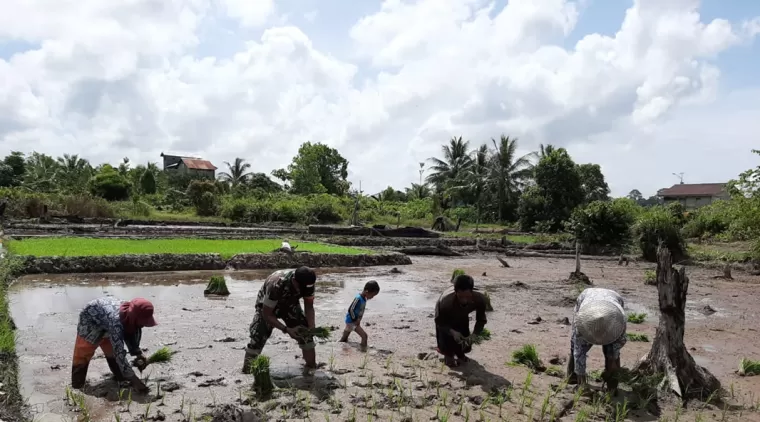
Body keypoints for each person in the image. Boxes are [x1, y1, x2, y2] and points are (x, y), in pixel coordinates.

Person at [71, 297, 157, 393]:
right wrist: (134, 380)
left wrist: (138, 354)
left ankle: (120, 377)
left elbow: (131, 334)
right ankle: (77, 386)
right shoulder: (116, 322)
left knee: (110, 349)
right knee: (84, 351)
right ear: (135, 317)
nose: (144, 325)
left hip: (107, 320)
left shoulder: (130, 318)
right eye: (143, 322)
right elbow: (119, 353)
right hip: (90, 320)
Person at [242, 266, 318, 373]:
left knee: (305, 335)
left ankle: (311, 368)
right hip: (267, 306)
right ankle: (247, 372)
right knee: (258, 336)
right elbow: (267, 314)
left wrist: (311, 327)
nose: (303, 291)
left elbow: (309, 306)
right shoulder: (276, 284)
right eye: (300, 288)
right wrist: (286, 329)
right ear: (294, 281)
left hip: (290, 303)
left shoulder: (308, 284)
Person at [566, 287, 627, 392]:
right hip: (586, 300)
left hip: (613, 302)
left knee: (612, 352)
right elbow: (578, 352)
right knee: (575, 347)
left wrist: (612, 364)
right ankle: (573, 377)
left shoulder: (618, 322)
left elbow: (617, 345)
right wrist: (582, 383)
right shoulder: (581, 325)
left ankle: (612, 385)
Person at [434, 274, 487, 367]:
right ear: (455, 292)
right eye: (461, 296)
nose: (464, 300)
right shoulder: (446, 301)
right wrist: (452, 332)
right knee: (446, 336)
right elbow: (439, 322)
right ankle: (448, 355)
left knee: (465, 339)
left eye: (467, 296)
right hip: (445, 315)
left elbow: (481, 320)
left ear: (472, 291)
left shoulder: (480, 299)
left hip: (463, 314)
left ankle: (460, 353)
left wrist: (474, 335)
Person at [339, 280, 380, 348]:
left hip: (352, 322)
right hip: (351, 322)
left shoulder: (363, 299)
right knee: (364, 336)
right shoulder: (358, 299)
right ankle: (363, 351)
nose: (372, 297)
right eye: (372, 295)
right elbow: (351, 309)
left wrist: (358, 320)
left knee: (343, 339)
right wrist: (355, 320)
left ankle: (340, 349)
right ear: (367, 291)